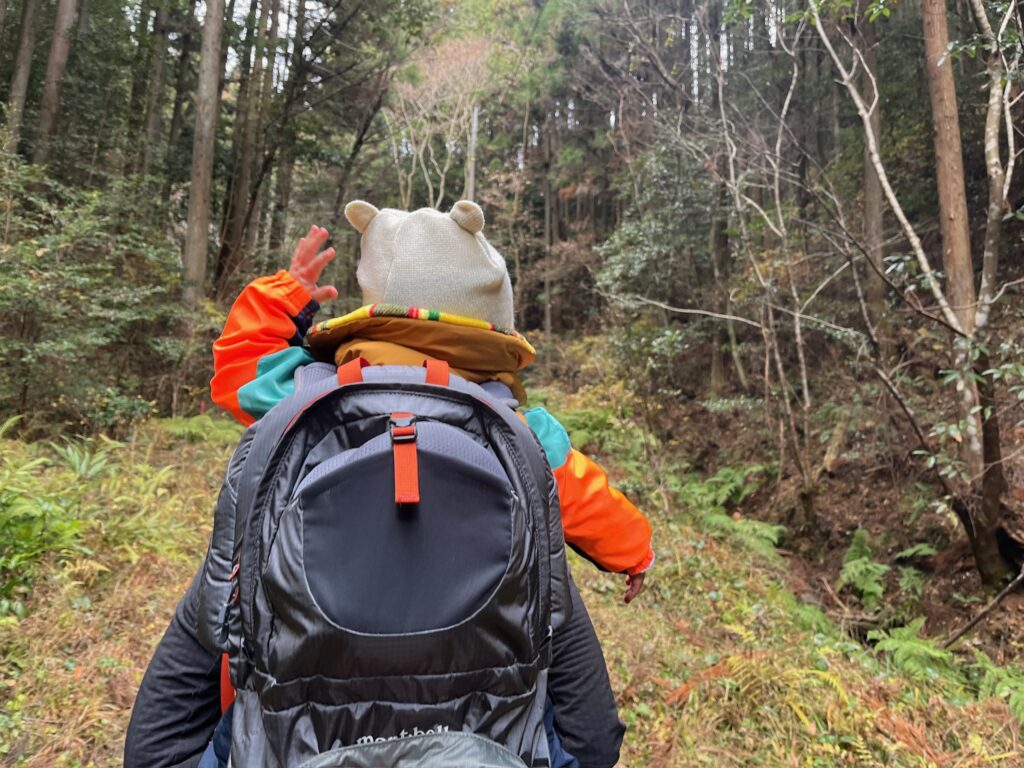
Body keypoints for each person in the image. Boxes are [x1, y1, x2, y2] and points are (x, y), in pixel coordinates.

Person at [125, 200, 653, 768]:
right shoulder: (519, 429)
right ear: (492, 329)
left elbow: (236, 368)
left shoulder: (299, 392)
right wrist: (635, 552)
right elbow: (589, 499)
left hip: (295, 712)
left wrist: (286, 292)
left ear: (374, 310)